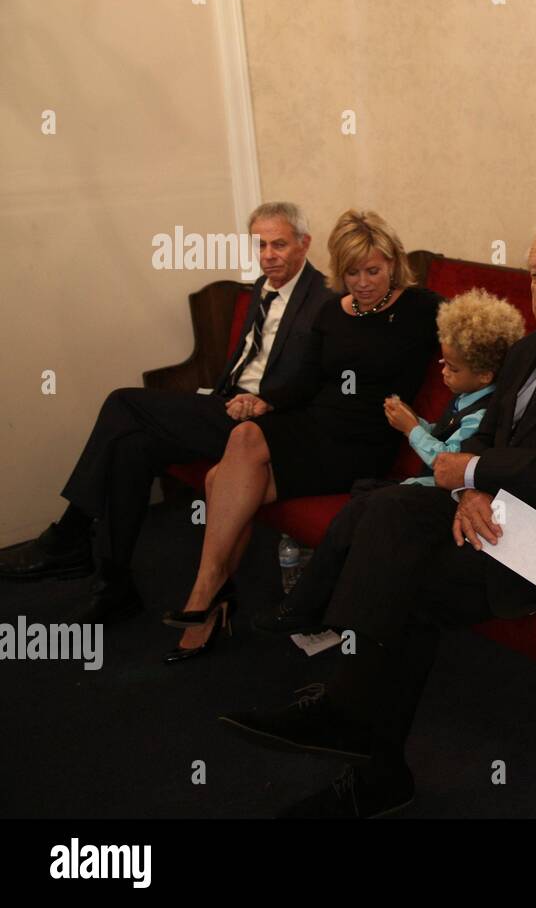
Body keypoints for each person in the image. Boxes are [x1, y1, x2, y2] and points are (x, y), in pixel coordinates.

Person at [217, 216, 536, 817]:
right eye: (533, 273)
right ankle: (355, 725)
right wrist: (473, 489)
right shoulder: (532, 348)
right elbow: (491, 439)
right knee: (386, 506)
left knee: (409, 581)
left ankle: (352, 723)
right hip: (500, 514)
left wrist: (478, 477)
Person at [0, 203, 332, 623]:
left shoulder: (325, 298)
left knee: (123, 402)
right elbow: (247, 361)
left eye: (279, 244)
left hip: (265, 424)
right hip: (225, 405)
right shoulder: (259, 290)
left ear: (304, 243)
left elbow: (322, 380)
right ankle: (114, 583)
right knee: (132, 447)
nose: (268, 254)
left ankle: (69, 535)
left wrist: (267, 401)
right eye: (260, 244)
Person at [160, 210, 442, 663]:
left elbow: (476, 337)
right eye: (352, 271)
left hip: (363, 441)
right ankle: (211, 597)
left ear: (393, 261)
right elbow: (307, 380)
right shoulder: (334, 310)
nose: (363, 282)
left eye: (374, 269)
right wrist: (265, 400)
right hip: (314, 422)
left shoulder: (422, 308)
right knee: (233, 458)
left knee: (232, 464)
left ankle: (205, 596)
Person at [254, 287, 526, 634]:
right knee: (355, 512)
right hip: (420, 486)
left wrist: (411, 429)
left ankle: (319, 612)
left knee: (361, 512)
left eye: (453, 368)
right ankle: (312, 606)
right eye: (442, 363)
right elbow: (444, 434)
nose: (443, 373)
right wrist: (420, 422)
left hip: (444, 496)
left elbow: (448, 461)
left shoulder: (484, 411)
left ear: (486, 375)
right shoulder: (465, 395)